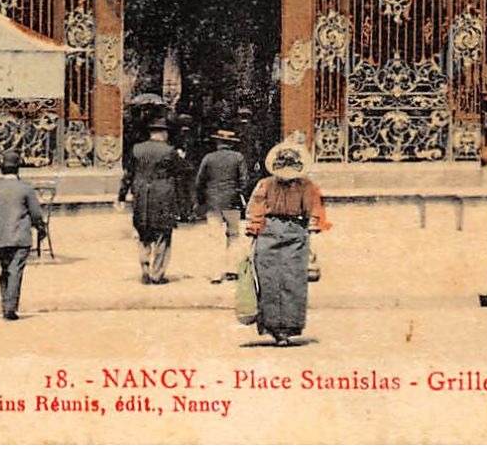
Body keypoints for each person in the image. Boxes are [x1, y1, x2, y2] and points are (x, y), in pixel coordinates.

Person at [244, 140, 330, 346]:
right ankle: (273, 327)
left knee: (293, 282)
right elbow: (256, 208)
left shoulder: (307, 186)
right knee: (269, 281)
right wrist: (253, 230)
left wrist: (312, 228)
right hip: (268, 233)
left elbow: (314, 210)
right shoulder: (265, 184)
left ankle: (290, 327)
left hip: (295, 234)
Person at [0, 150, 47, 320]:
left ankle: (6, 302)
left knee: (5, 270)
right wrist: (41, 229)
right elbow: (36, 214)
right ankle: (10, 307)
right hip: (21, 237)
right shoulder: (26, 189)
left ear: (1, 169)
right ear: (18, 168)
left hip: (0, 237)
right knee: (15, 271)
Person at [116, 116, 184, 284]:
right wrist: (181, 157)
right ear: (163, 133)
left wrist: (121, 196)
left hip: (141, 197)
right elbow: (181, 172)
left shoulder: (137, 149)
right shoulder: (169, 151)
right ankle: (157, 273)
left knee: (143, 233)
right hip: (163, 197)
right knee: (163, 235)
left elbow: (128, 175)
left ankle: (145, 269)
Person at [194, 129, 249, 284]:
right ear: (231, 144)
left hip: (213, 202)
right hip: (232, 201)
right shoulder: (238, 157)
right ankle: (232, 270)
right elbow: (245, 181)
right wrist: (238, 193)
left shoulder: (208, 158)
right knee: (233, 235)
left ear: (217, 142)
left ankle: (215, 274)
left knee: (215, 238)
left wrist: (200, 201)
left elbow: (199, 182)